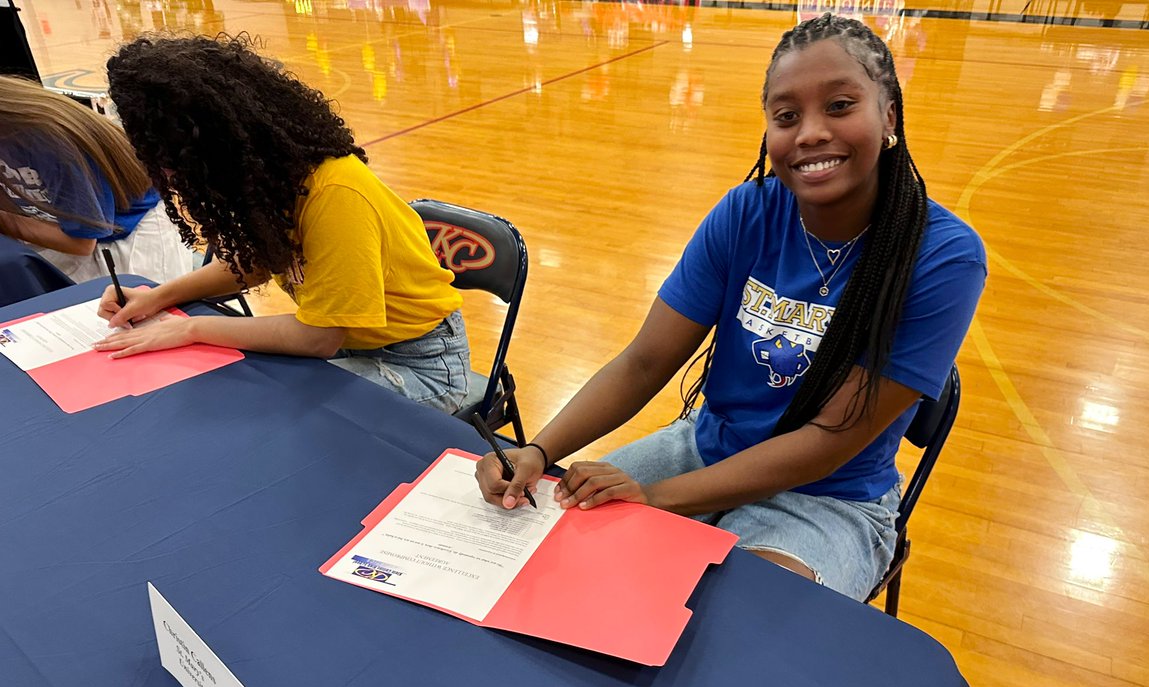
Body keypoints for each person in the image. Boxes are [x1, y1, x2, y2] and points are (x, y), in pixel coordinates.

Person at [476, 14, 987, 602]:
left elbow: (829, 440)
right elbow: (644, 362)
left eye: (841, 105)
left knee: (737, 629)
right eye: (786, 116)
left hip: (831, 498)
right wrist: (538, 451)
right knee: (551, 570)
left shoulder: (942, 256)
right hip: (704, 447)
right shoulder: (747, 212)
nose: (811, 133)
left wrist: (657, 500)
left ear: (889, 114)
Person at [93, 34, 470, 414]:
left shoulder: (336, 194)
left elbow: (317, 337)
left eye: (173, 162)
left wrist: (190, 328)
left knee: (273, 412)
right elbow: (255, 262)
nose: (170, 177)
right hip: (351, 345)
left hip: (419, 364)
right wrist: (159, 297)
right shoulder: (271, 179)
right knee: (248, 398)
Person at [0, 75, 193, 284]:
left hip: (127, 235)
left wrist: (5, 222)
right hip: (63, 230)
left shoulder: (46, 140)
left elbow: (82, 242)